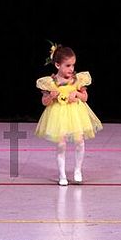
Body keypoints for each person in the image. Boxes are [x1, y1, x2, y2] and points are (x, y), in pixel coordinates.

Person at [35, 42, 102, 186]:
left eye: (73, 65)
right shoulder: (50, 82)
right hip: (58, 115)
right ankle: (62, 175)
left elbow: (85, 98)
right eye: (68, 65)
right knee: (61, 144)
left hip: (75, 115)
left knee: (79, 141)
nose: (71, 69)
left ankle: (78, 170)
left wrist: (77, 93)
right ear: (58, 65)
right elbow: (44, 102)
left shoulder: (77, 80)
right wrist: (51, 96)